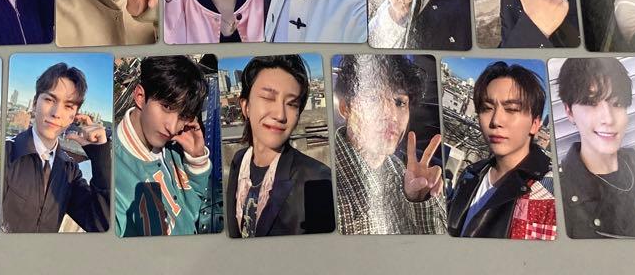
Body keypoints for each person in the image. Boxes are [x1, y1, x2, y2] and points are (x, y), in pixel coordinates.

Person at [555, 57, 635, 238]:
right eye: (591, 103)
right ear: (569, 111)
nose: (609, 119)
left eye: (617, 104)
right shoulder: (558, 193)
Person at [333, 55, 445, 235]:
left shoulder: (402, 171)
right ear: (346, 108)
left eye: (400, 102)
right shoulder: (322, 181)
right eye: (373, 99)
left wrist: (420, 201)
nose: (391, 115)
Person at [226, 54, 334, 237]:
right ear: (246, 107)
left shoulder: (318, 182)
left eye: (292, 104)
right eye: (268, 98)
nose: (280, 115)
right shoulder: (239, 161)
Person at [447, 62, 556, 238]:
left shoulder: (549, 193)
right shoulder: (470, 174)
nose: (496, 120)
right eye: (487, 108)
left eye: (511, 109)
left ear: (535, 124)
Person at [2, 61, 110, 233]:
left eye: (68, 106)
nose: (57, 113)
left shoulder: (69, 171)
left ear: (74, 116)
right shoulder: (7, 153)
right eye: (50, 99)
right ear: (34, 103)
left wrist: (99, 155)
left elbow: (101, 225)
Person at [114, 56, 213, 237]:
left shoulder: (174, 146)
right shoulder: (113, 176)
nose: (173, 127)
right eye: (167, 107)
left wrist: (196, 158)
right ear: (140, 97)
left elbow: (191, 210)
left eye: (184, 115)